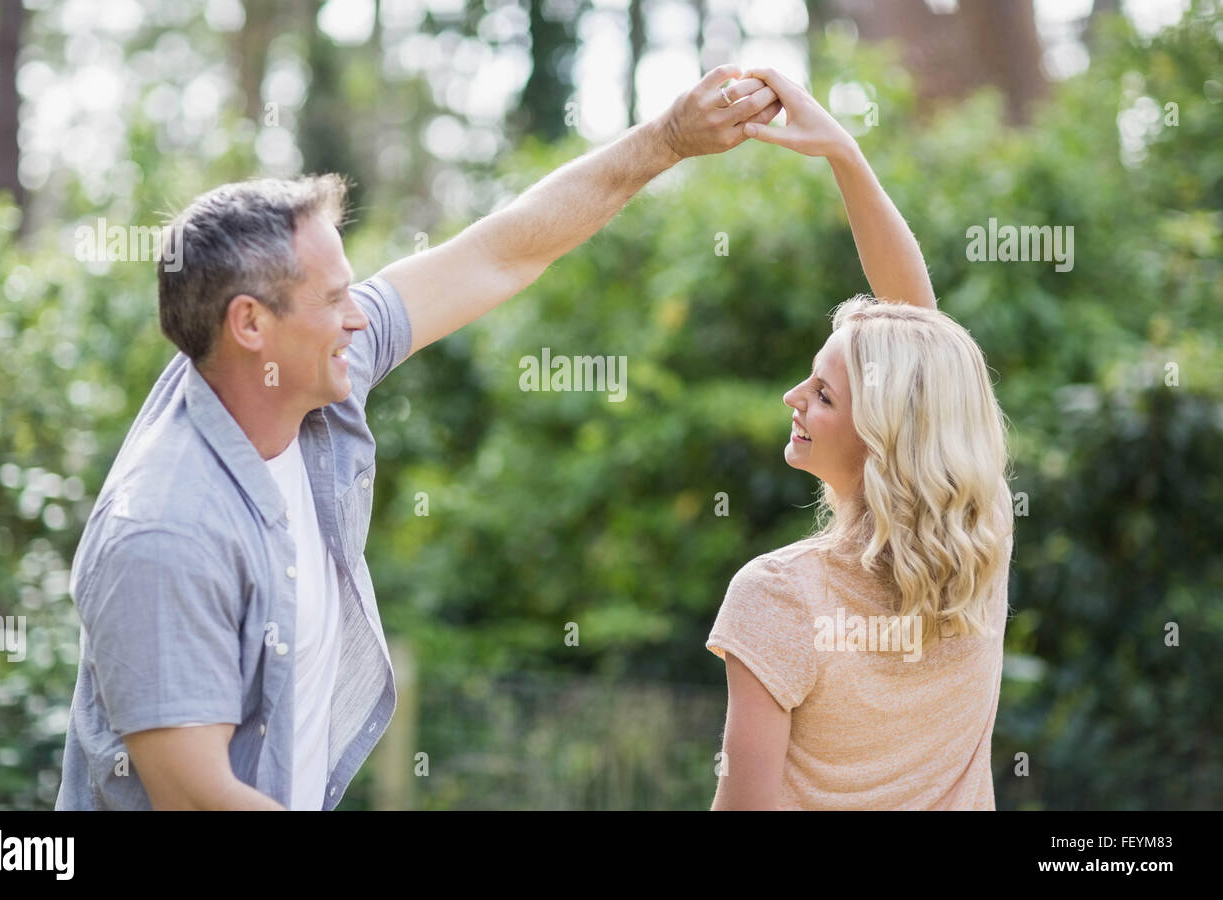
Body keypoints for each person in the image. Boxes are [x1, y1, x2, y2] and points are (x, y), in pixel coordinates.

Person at [54, 65, 783, 810]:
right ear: (249, 324)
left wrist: (666, 139)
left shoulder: (301, 375)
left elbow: (499, 254)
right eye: (335, 298)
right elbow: (196, 797)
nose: (360, 318)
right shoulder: (164, 530)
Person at [706, 68, 1015, 810]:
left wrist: (845, 153)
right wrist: (844, 155)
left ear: (882, 437)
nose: (794, 398)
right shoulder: (981, 553)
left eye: (822, 394)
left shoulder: (777, 596)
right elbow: (925, 354)